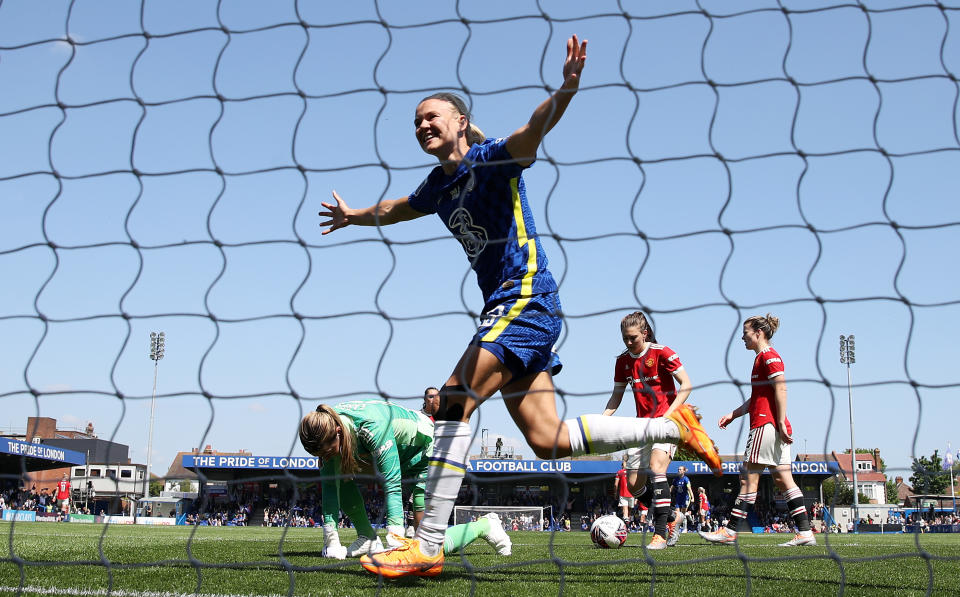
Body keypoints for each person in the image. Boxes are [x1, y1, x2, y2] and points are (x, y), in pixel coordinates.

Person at [319, 34, 721, 578]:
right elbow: (396, 208)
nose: (422, 126)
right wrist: (355, 216)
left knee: (456, 400)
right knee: (547, 441)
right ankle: (674, 430)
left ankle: (427, 543)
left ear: (461, 122)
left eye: (431, 117)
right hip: (507, 309)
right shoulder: (439, 187)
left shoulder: (492, 160)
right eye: (415, 122)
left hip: (525, 298)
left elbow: (534, 130)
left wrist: (567, 89)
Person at [298, 401, 511, 559]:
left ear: (338, 432)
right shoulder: (329, 427)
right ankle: (367, 538)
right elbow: (329, 487)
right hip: (398, 452)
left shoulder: (372, 427)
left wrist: (395, 537)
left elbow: (391, 483)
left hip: (427, 450)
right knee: (338, 473)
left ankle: (485, 526)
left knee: (425, 547)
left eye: (326, 451)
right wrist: (331, 541)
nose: (323, 458)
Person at [699, 314, 816, 547]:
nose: (742, 337)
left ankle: (730, 531)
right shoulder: (761, 359)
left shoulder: (769, 356)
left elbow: (781, 388)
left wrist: (780, 421)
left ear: (758, 333)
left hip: (765, 426)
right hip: (771, 425)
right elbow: (758, 397)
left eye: (745, 332)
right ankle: (805, 532)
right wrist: (733, 414)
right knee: (784, 480)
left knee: (747, 480)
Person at [602, 312, 694, 549]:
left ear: (645, 333)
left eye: (633, 338)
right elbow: (616, 396)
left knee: (657, 469)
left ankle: (660, 534)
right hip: (640, 427)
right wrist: (602, 419)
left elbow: (686, 384)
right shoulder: (622, 361)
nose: (629, 342)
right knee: (633, 485)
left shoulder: (662, 352)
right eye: (625, 338)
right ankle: (673, 517)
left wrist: (669, 414)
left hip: (666, 423)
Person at [671, 465, 693, 534]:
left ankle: (685, 528)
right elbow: (671, 488)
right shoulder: (676, 479)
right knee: (677, 514)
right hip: (678, 498)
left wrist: (692, 497)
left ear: (683, 471)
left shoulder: (686, 479)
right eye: (678, 469)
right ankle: (677, 528)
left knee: (682, 514)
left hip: (685, 498)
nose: (679, 470)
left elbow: (689, 488)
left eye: (680, 469)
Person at [614, 455, 634, 522]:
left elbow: (615, 484)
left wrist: (615, 493)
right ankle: (626, 520)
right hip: (632, 493)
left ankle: (626, 519)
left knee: (626, 510)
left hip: (623, 493)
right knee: (628, 510)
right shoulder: (632, 472)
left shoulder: (619, 472)